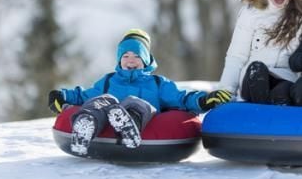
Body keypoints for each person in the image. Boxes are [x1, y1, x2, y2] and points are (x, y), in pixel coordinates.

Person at [48, 28, 231, 156]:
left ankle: (128, 126)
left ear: (146, 60)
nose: (131, 60)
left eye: (137, 56)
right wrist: (63, 96)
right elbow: (84, 95)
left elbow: (181, 98)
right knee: (102, 101)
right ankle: (86, 127)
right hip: (106, 112)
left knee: (137, 103)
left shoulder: (157, 83)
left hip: (139, 116)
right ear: (119, 60)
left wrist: (204, 100)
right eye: (126, 56)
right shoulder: (108, 81)